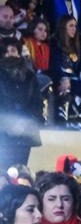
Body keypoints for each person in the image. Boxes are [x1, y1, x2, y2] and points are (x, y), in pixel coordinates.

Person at [0, 36, 43, 171]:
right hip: (3, 133)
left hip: (25, 133)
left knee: (21, 171)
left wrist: (26, 123)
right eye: (5, 52)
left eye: (12, 50)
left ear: (19, 52)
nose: (9, 55)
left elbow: (37, 103)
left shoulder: (30, 76)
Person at [48, 15, 81, 126]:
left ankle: (76, 118)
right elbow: (54, 65)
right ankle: (62, 118)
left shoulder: (75, 44)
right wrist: (64, 77)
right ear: (63, 27)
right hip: (57, 75)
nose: (74, 29)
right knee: (66, 85)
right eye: (71, 26)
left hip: (72, 77)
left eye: (75, 26)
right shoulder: (54, 42)